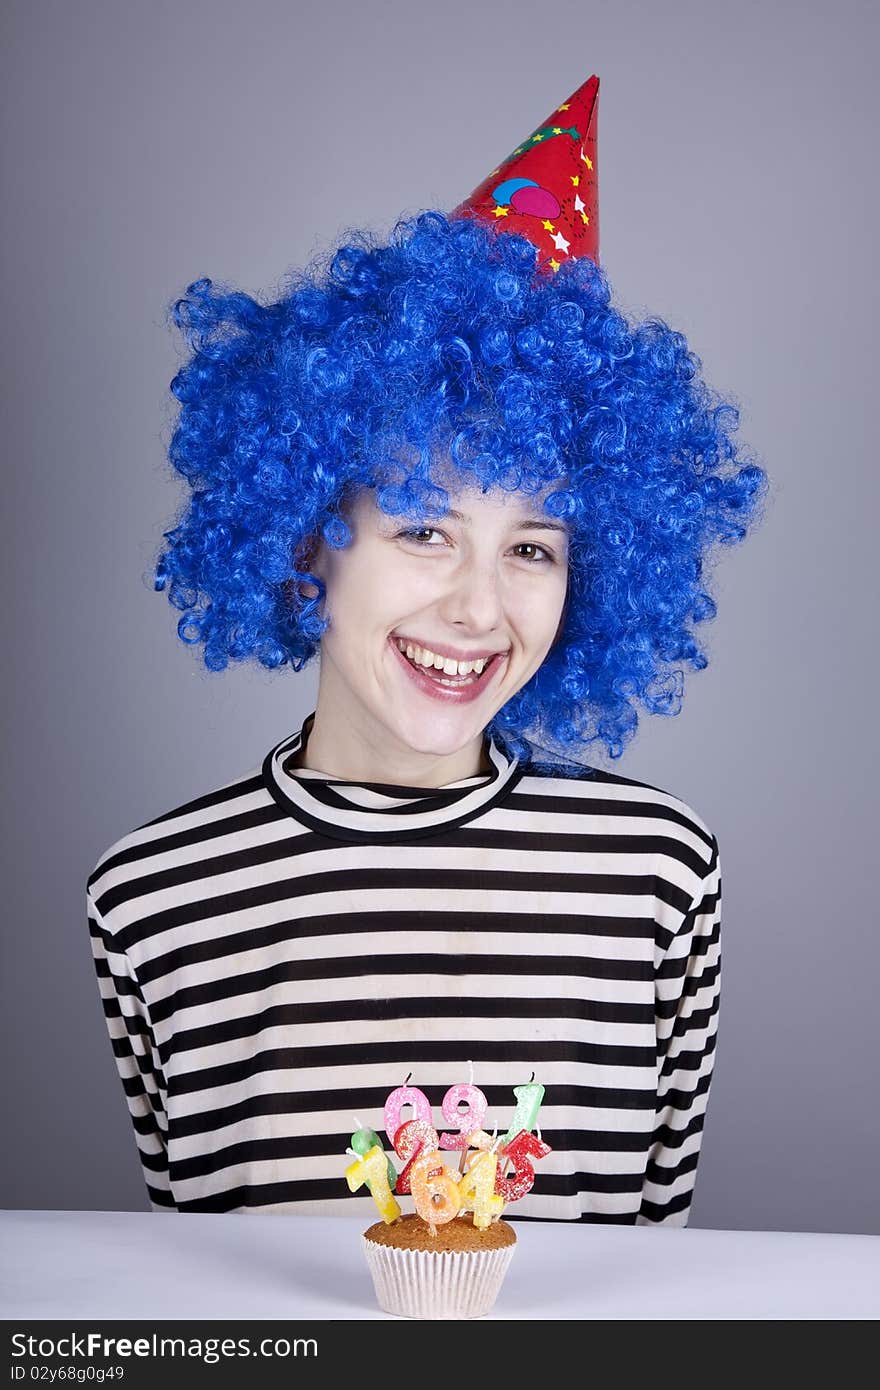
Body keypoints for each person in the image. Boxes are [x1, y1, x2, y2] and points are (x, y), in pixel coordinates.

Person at [86, 74, 767, 1222]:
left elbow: (657, 1276)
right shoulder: (152, 900)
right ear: (310, 544)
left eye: (533, 549)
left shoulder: (656, 871)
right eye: (422, 529)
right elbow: (194, 1292)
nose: (478, 607)